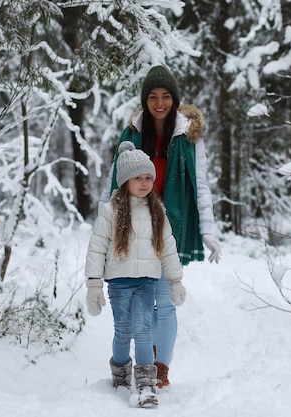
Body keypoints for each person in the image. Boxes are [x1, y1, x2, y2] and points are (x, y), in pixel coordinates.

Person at [101, 65, 221, 388]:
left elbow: (202, 185)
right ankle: (148, 359)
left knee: (165, 302)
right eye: (152, 96)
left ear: (174, 99)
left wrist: (207, 230)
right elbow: (114, 181)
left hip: (174, 227)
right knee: (144, 299)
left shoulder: (189, 138)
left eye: (166, 96)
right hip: (138, 227)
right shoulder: (132, 135)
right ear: (145, 100)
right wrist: (104, 220)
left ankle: (160, 367)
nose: (159, 103)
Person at [84, 141, 186, 408]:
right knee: (123, 331)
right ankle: (120, 375)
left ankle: (145, 384)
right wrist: (94, 285)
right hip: (118, 283)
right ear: (124, 180)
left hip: (146, 282)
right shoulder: (111, 210)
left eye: (148, 178)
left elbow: (168, 247)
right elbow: (96, 247)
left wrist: (175, 280)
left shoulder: (157, 211)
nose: (144, 183)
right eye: (137, 178)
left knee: (142, 331)